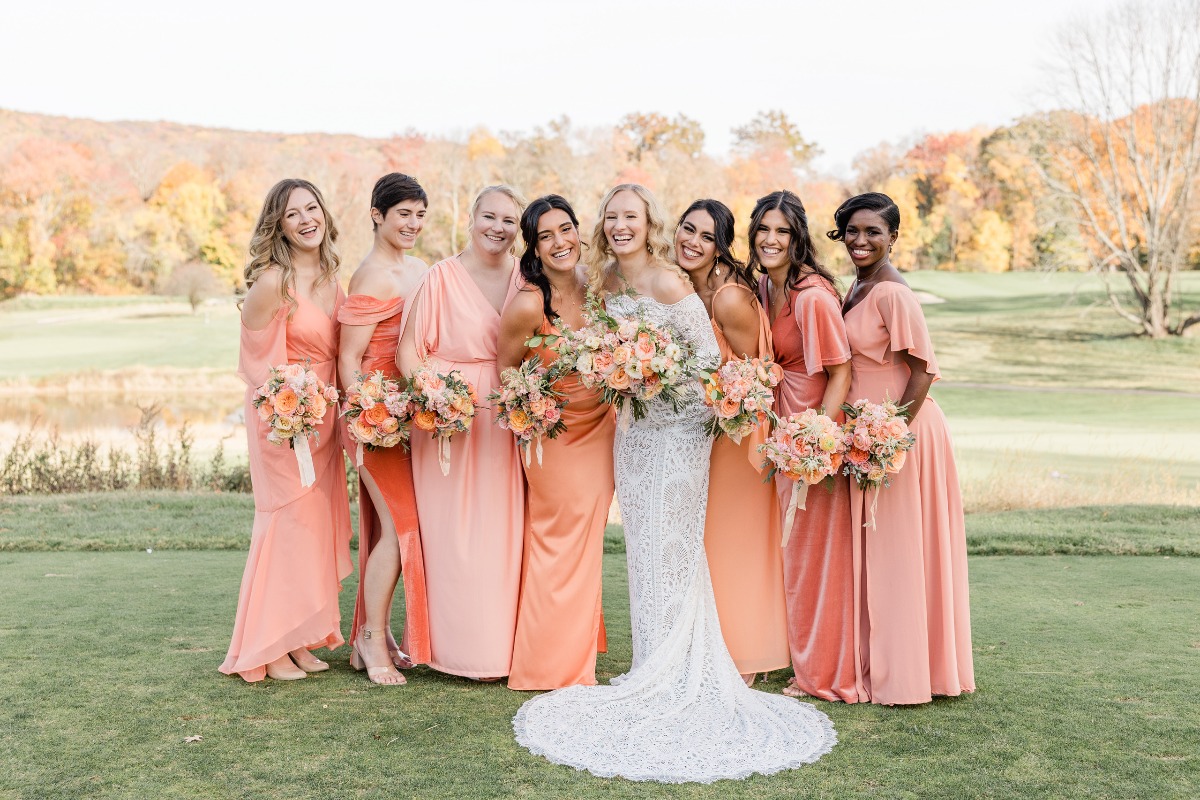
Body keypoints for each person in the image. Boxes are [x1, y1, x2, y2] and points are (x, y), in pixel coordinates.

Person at [512, 184, 835, 783]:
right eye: (610, 217)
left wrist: (655, 383)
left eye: (630, 217)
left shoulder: (669, 282)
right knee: (644, 552)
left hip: (679, 436)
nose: (619, 226)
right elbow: (594, 349)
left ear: (647, 221)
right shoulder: (603, 282)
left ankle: (678, 670)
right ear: (602, 226)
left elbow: (710, 372)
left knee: (675, 552)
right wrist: (622, 378)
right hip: (631, 437)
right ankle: (651, 663)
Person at [833, 191, 974, 705]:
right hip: (869, 430)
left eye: (873, 231)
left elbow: (924, 371)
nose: (861, 240)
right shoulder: (858, 284)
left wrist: (889, 433)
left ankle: (906, 677)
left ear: (893, 236)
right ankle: (882, 662)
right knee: (882, 550)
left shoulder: (893, 293)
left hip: (900, 431)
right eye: (852, 230)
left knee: (895, 551)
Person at [220, 179, 353, 682]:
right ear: (278, 224)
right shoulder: (274, 280)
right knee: (287, 523)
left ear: (324, 213)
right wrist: (286, 412)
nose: (306, 219)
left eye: (312, 207)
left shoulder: (331, 277)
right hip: (284, 420)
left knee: (314, 526)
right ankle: (267, 646)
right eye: (293, 213)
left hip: (326, 419)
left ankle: (298, 637)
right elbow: (255, 361)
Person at [396, 185, 526, 681]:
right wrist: (433, 394)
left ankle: (496, 651)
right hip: (448, 419)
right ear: (471, 218)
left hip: (505, 415)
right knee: (449, 533)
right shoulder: (440, 277)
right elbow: (408, 350)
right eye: (489, 216)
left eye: (509, 220)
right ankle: (447, 649)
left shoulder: (525, 278)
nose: (497, 227)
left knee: (500, 531)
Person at [498, 194, 615, 691]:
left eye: (564, 229)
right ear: (535, 247)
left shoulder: (601, 289)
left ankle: (576, 655)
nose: (559, 241)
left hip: (603, 429)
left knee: (585, 548)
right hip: (555, 437)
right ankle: (548, 666)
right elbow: (506, 370)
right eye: (545, 235)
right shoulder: (529, 302)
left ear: (578, 231)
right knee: (555, 544)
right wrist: (531, 409)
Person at [750, 190, 859, 703]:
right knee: (792, 553)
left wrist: (815, 438)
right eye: (764, 229)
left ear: (798, 239)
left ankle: (822, 674)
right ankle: (795, 654)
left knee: (815, 556)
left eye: (782, 231)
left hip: (808, 433)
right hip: (777, 428)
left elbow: (841, 372)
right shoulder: (763, 288)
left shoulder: (812, 297)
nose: (771, 240)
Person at [675, 198, 788, 686]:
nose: (693, 242)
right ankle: (708, 647)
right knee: (707, 544)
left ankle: (745, 658)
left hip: (739, 435)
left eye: (706, 236)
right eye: (687, 230)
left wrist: (728, 407)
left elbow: (757, 375)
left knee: (733, 543)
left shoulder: (728, 298)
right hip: (700, 433)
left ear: (721, 246)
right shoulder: (682, 292)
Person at [336, 173, 432, 686]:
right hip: (373, 421)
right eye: (404, 214)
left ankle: (375, 635)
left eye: (420, 214)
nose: (413, 224)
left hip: (412, 417)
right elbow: (348, 360)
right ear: (377, 215)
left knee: (392, 529)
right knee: (399, 529)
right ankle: (371, 638)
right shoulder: (370, 275)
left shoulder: (420, 269)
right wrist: (368, 416)